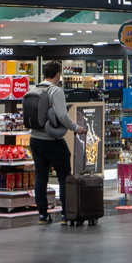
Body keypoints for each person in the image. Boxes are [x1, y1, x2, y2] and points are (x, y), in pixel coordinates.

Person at [27, 61, 87, 225]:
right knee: (64, 177)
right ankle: (66, 214)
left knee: (40, 178)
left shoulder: (34, 89)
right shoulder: (56, 90)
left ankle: (42, 215)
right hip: (52, 140)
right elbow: (61, 115)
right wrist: (76, 128)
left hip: (35, 139)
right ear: (58, 74)